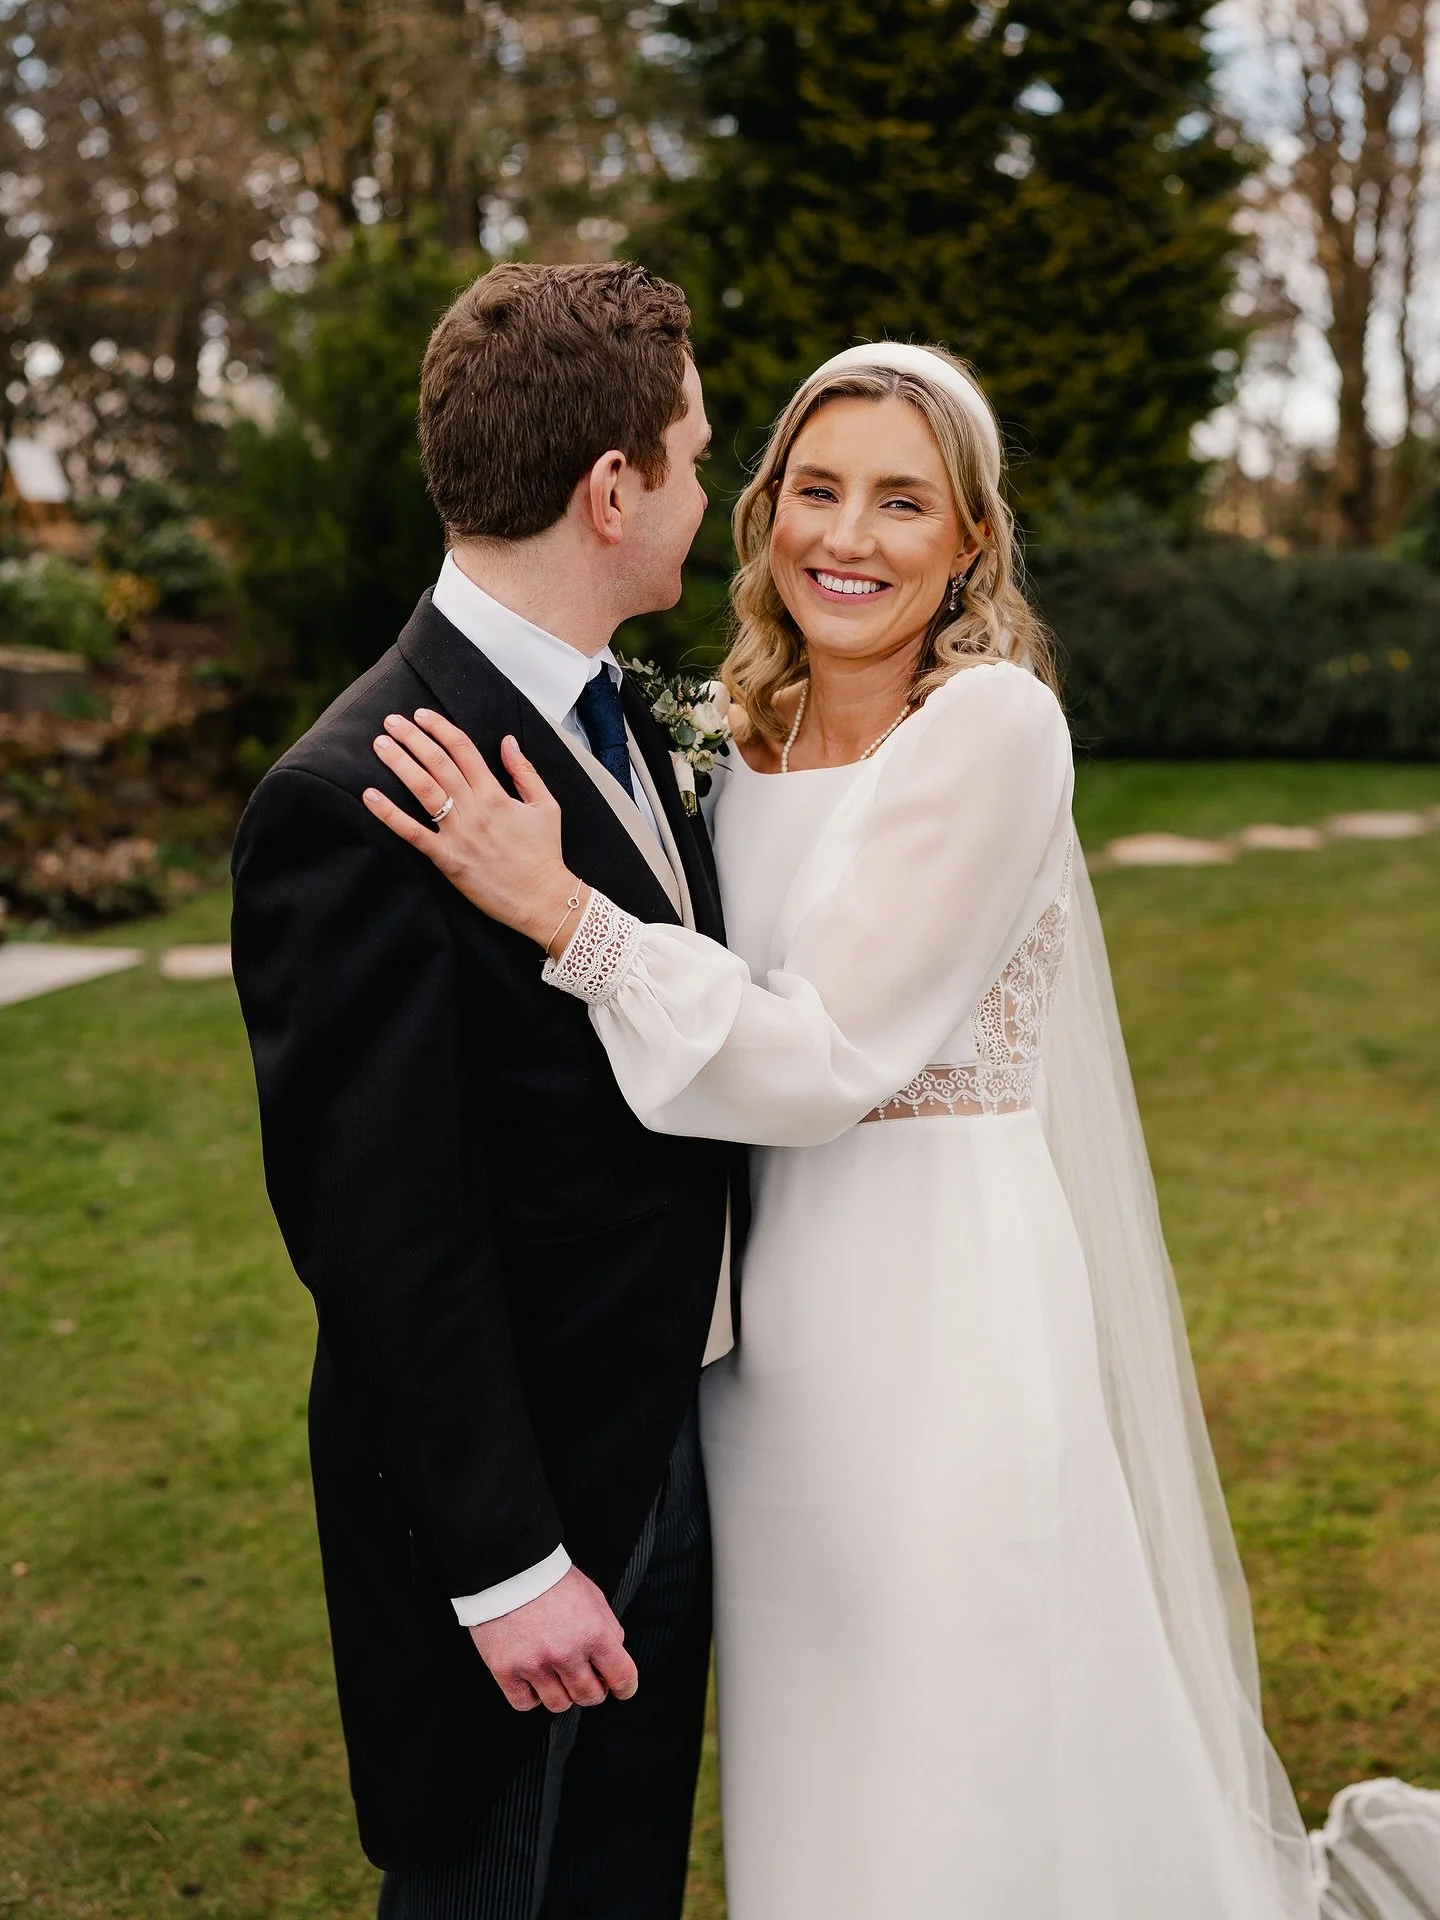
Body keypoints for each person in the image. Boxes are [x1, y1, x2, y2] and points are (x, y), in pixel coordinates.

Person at [367, 340, 1440, 1919]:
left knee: (968, 1720)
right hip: (766, 1330)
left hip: (945, 1311)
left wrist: (563, 911)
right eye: (814, 489)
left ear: (969, 544)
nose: (846, 539)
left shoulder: (994, 730)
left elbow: (824, 1057)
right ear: (762, 512)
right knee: (824, 1734)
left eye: (899, 502)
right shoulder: (728, 736)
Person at [230, 260, 745, 1920]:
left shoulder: (623, 723)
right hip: (518, 1527)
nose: (710, 491)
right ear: (615, 491)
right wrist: (511, 1570)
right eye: (696, 454)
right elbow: (385, 1238)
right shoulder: (358, 796)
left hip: (657, 1439)